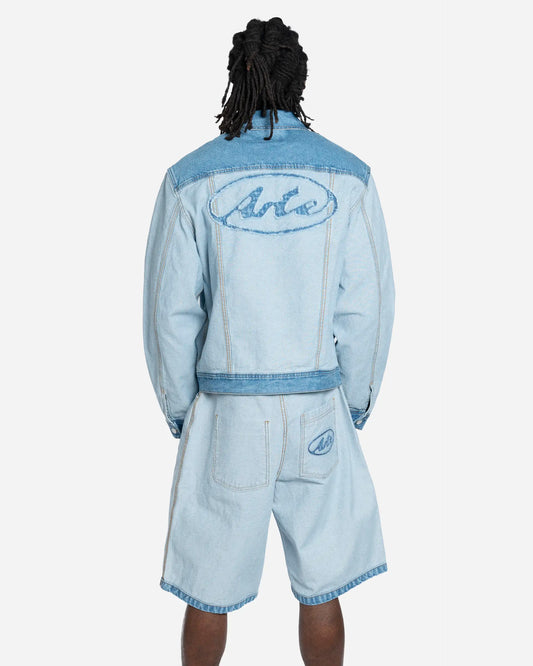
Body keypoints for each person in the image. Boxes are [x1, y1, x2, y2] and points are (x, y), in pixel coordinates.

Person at [143, 16, 395, 666]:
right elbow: (366, 308)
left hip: (227, 411)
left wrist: (182, 410)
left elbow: (170, 312)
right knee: (322, 584)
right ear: (298, 81)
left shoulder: (190, 179)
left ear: (236, 80)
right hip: (316, 405)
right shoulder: (349, 177)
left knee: (207, 587)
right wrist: (354, 402)